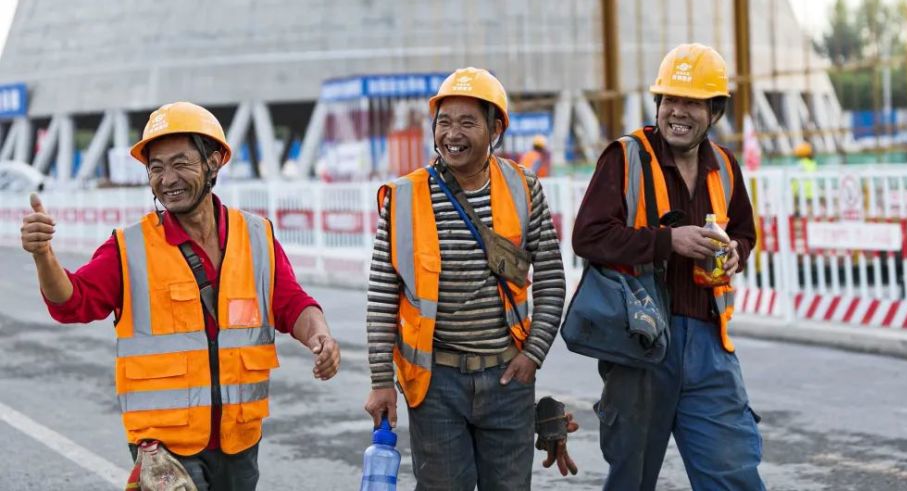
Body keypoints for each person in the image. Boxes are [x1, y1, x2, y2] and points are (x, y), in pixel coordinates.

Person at [19, 101, 340, 491]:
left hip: (239, 440)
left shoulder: (256, 237)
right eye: (156, 167)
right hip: (165, 448)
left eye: (181, 163)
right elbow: (72, 303)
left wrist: (319, 335)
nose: (167, 178)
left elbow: (291, 302)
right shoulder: (128, 247)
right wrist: (44, 256)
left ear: (214, 162)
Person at [364, 67, 573, 490]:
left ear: (495, 129)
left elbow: (551, 277)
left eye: (466, 122)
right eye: (443, 122)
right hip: (435, 384)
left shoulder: (522, 187)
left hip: (507, 380)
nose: (451, 134)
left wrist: (532, 355)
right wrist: (381, 380)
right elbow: (383, 294)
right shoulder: (404, 196)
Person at [572, 43, 765, 490]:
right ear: (657, 103)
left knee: (734, 475)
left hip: (708, 345)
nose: (678, 112)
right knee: (632, 479)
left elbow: (745, 232)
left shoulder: (724, 166)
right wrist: (667, 241)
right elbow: (588, 237)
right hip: (640, 342)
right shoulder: (625, 158)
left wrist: (735, 250)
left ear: (713, 110)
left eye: (692, 102)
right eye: (670, 100)